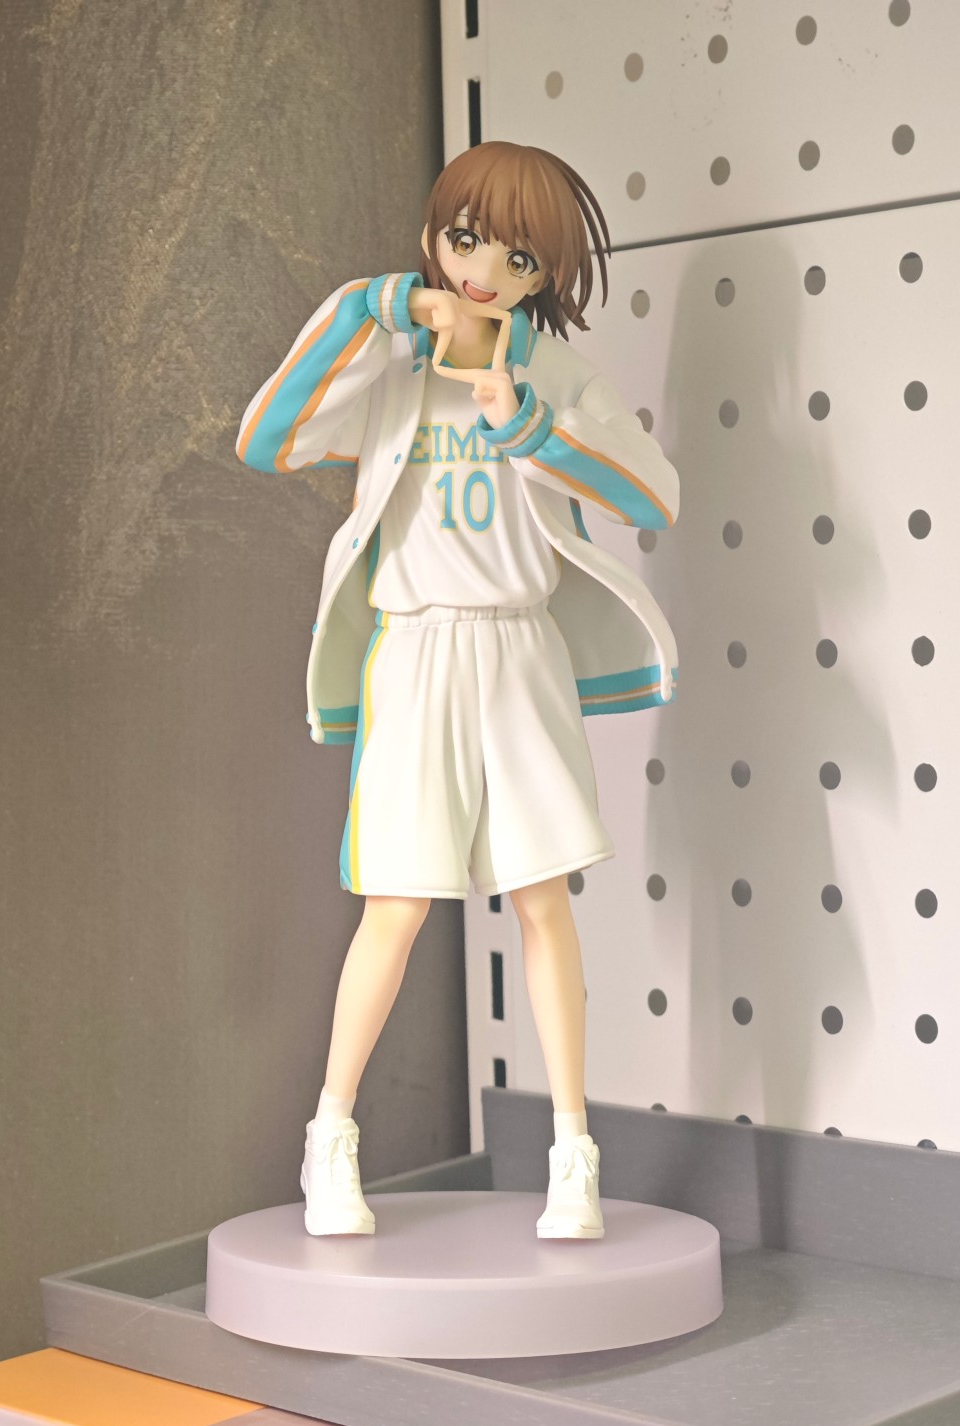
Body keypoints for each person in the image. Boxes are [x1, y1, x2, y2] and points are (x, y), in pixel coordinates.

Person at [236, 142, 680, 1241]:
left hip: (520, 653)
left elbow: (652, 495)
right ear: (435, 237)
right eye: (466, 240)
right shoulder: (390, 364)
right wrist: (372, 310)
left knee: (543, 898)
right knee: (394, 904)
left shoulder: (554, 375)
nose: (481, 271)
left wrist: (530, 428)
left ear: (544, 275)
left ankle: (572, 1152)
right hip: (417, 651)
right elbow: (268, 439)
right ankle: (330, 1137)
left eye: (517, 257)